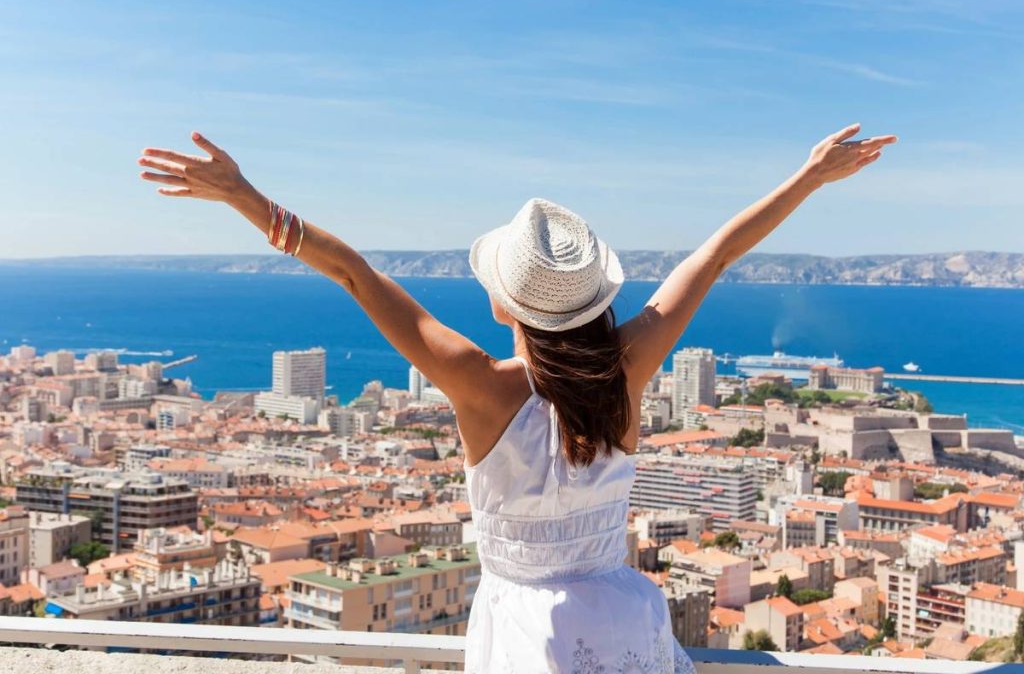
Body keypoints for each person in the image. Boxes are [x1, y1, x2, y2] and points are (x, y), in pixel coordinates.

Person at [137, 123, 896, 672]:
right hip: (628, 623)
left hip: (529, 636)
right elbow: (719, 252)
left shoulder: (481, 386)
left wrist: (247, 198)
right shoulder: (628, 369)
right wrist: (810, 175)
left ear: (507, 305)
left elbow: (354, 274)